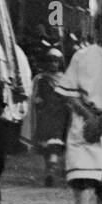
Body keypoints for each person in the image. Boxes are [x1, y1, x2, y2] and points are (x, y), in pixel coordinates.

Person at [56, 13, 102, 204]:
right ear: (98, 29)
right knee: (83, 176)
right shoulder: (82, 56)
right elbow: (69, 94)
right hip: (84, 120)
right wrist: (90, 117)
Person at [31, 47, 69, 187]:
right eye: (51, 61)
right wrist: (38, 102)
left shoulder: (65, 78)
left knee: (56, 144)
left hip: (60, 115)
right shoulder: (41, 79)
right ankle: (49, 169)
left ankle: (51, 171)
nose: (53, 64)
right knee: (47, 145)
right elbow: (36, 96)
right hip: (46, 115)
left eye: (56, 61)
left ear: (60, 63)